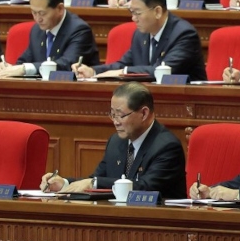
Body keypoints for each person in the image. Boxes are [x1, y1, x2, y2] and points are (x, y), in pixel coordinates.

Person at [41, 83, 185, 198]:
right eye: (112, 114)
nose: (115, 122)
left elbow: (145, 186)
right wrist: (64, 183)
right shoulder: (116, 142)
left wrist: (94, 183)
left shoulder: (167, 146)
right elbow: (95, 179)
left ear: (144, 113)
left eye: (120, 115)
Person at [75, 0, 206, 81]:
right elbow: (124, 64)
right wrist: (93, 71)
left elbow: (161, 71)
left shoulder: (184, 34)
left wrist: (123, 72)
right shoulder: (141, 34)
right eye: (131, 12)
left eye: (137, 13)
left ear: (157, 12)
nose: (133, 18)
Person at [0, 0, 99, 78]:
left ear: (60, 9)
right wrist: (9, 68)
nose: (37, 19)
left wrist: (24, 68)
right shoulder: (36, 30)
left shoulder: (79, 30)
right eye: (33, 12)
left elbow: (67, 64)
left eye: (42, 13)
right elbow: (24, 62)